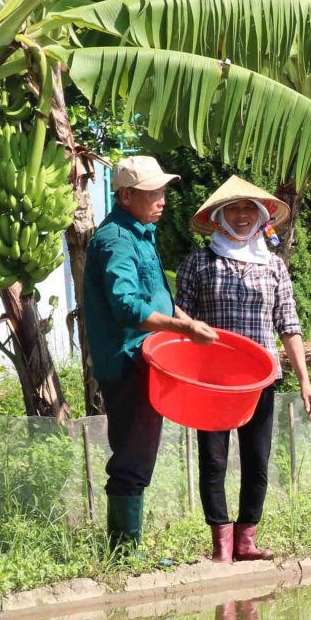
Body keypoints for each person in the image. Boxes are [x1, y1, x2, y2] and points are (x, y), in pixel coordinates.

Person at [177, 177, 311, 563]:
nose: (242, 216)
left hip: (261, 379)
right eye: (234, 209)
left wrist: (306, 382)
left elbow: (289, 326)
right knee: (214, 459)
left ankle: (246, 541)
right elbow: (180, 320)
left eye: (249, 210)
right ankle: (221, 546)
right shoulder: (200, 262)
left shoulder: (274, 266)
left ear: (261, 218)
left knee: (257, 459)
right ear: (219, 217)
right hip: (213, 382)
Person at [85, 156, 218, 551]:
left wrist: (185, 318)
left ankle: (128, 547)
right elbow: (126, 305)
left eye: (162, 191)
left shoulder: (141, 232)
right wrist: (183, 328)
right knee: (133, 456)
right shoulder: (115, 241)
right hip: (129, 363)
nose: (162, 200)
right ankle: (124, 553)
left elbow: (153, 295)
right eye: (152, 193)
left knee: (140, 453)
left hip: (148, 359)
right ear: (126, 196)